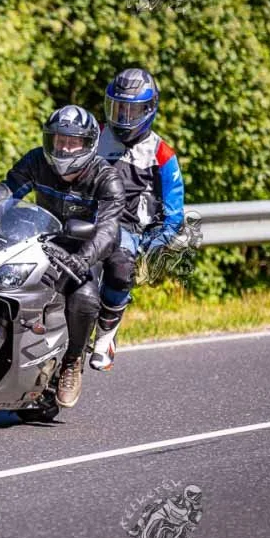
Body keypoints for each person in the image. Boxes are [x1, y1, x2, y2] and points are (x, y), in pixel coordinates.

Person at [0, 105, 134, 408]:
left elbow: (108, 229)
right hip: (39, 237)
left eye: (73, 142)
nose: (64, 148)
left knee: (85, 297)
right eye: (59, 140)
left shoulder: (107, 178)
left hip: (84, 249)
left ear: (89, 144)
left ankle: (72, 362)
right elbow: (8, 190)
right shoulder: (37, 160)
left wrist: (84, 259)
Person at [90, 67, 186, 371]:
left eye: (131, 111)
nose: (123, 118)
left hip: (127, 228)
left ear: (149, 110)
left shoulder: (162, 154)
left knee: (120, 270)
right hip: (84, 217)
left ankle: (105, 338)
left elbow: (174, 212)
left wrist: (153, 245)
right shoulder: (93, 136)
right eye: (118, 109)